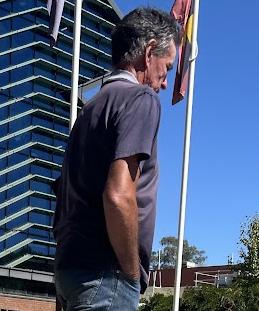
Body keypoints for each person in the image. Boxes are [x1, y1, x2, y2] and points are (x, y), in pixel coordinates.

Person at [53, 7, 180, 310]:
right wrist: (131, 274)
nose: (164, 83)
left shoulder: (91, 109)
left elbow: (62, 196)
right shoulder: (140, 99)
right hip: (107, 276)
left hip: (71, 271)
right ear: (149, 53)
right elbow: (119, 194)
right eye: (167, 68)